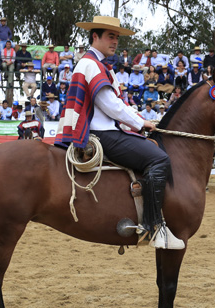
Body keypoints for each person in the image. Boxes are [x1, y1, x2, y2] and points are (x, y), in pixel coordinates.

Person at [54, 15, 183, 249]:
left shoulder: (100, 65)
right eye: (110, 36)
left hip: (107, 130)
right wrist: (140, 123)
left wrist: (141, 119)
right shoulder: (91, 64)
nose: (115, 41)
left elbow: (115, 103)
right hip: (102, 133)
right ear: (95, 36)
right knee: (160, 159)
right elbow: (109, 104)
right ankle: (153, 227)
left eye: (117, 37)